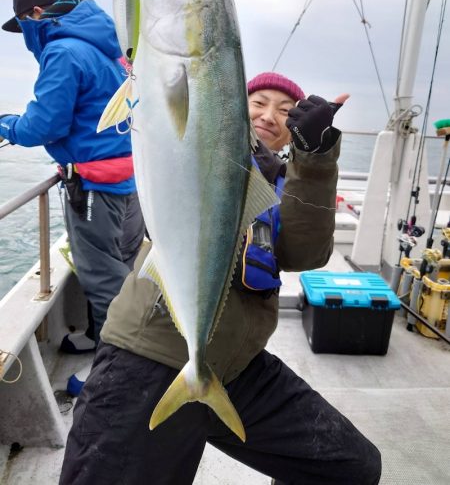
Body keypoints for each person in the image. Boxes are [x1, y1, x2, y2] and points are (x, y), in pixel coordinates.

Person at [59, 72, 381, 484]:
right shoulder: (190, 146)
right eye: (258, 102)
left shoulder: (285, 184)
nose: (269, 116)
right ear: (228, 106)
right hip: (148, 358)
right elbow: (162, 113)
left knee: (351, 467)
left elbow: (306, 252)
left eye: (286, 112)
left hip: (236, 370)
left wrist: (315, 156)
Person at [0, 0, 145, 377]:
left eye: (22, 25)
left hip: (97, 186)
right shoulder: (107, 48)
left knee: (103, 279)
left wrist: (6, 125)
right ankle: (104, 342)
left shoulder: (62, 51)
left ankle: (120, 377)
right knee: (123, 265)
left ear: (34, 16)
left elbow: (43, 125)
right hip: (130, 183)